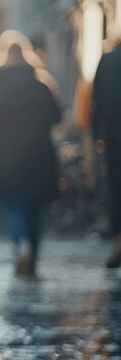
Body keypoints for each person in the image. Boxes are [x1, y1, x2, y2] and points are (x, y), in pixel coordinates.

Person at [0, 43, 61, 277]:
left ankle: (22, 245)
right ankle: (33, 257)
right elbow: (56, 116)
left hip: (10, 155)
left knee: (14, 204)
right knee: (36, 208)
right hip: (40, 156)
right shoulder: (41, 86)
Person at [91, 40, 121, 268]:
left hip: (113, 137)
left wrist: (96, 135)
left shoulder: (108, 60)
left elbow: (96, 101)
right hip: (112, 135)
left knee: (116, 188)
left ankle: (118, 242)